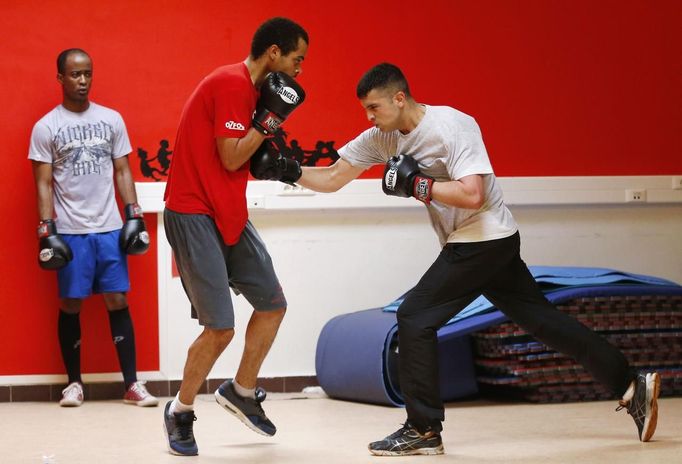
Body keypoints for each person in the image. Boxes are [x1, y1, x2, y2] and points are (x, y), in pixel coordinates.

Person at [256, 62, 660, 456]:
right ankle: (630, 384)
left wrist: (418, 184)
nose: (369, 117)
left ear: (400, 98)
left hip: (482, 237)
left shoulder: (452, 126)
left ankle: (423, 429)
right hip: (486, 242)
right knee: (544, 321)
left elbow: (473, 194)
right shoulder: (384, 137)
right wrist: (286, 170)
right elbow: (333, 177)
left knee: (414, 316)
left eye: (375, 107)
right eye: (365, 109)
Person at [161, 17, 308, 456]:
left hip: (227, 212)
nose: (300, 70)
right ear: (274, 53)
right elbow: (230, 157)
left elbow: (239, 157)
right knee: (220, 327)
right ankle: (180, 411)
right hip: (192, 212)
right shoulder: (231, 84)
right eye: (297, 60)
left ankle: (242, 391)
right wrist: (267, 124)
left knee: (272, 304)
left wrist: (269, 146)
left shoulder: (252, 92)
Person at [28, 48, 159, 408]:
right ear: (60, 78)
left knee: (117, 298)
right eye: (74, 75)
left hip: (109, 227)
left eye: (87, 74)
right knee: (71, 302)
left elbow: (123, 170)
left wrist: (134, 215)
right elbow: (42, 183)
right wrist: (47, 229)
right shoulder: (47, 127)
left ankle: (131, 384)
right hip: (70, 230)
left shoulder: (112, 120)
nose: (82, 81)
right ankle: (74, 383)